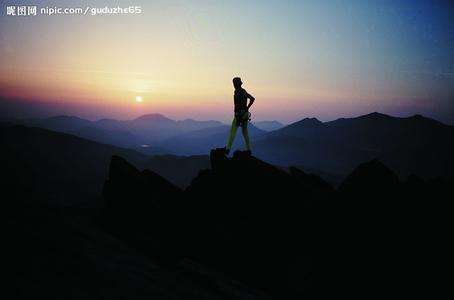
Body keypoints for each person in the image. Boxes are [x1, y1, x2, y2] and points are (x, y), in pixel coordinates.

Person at [225, 77, 255, 155]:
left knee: (232, 131)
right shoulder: (244, 91)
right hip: (245, 114)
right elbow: (252, 99)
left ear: (235, 84)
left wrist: (238, 115)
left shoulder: (237, 92)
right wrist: (247, 108)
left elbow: (237, 105)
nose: (233, 85)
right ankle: (248, 149)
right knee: (245, 132)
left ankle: (227, 149)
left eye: (234, 83)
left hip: (239, 114)